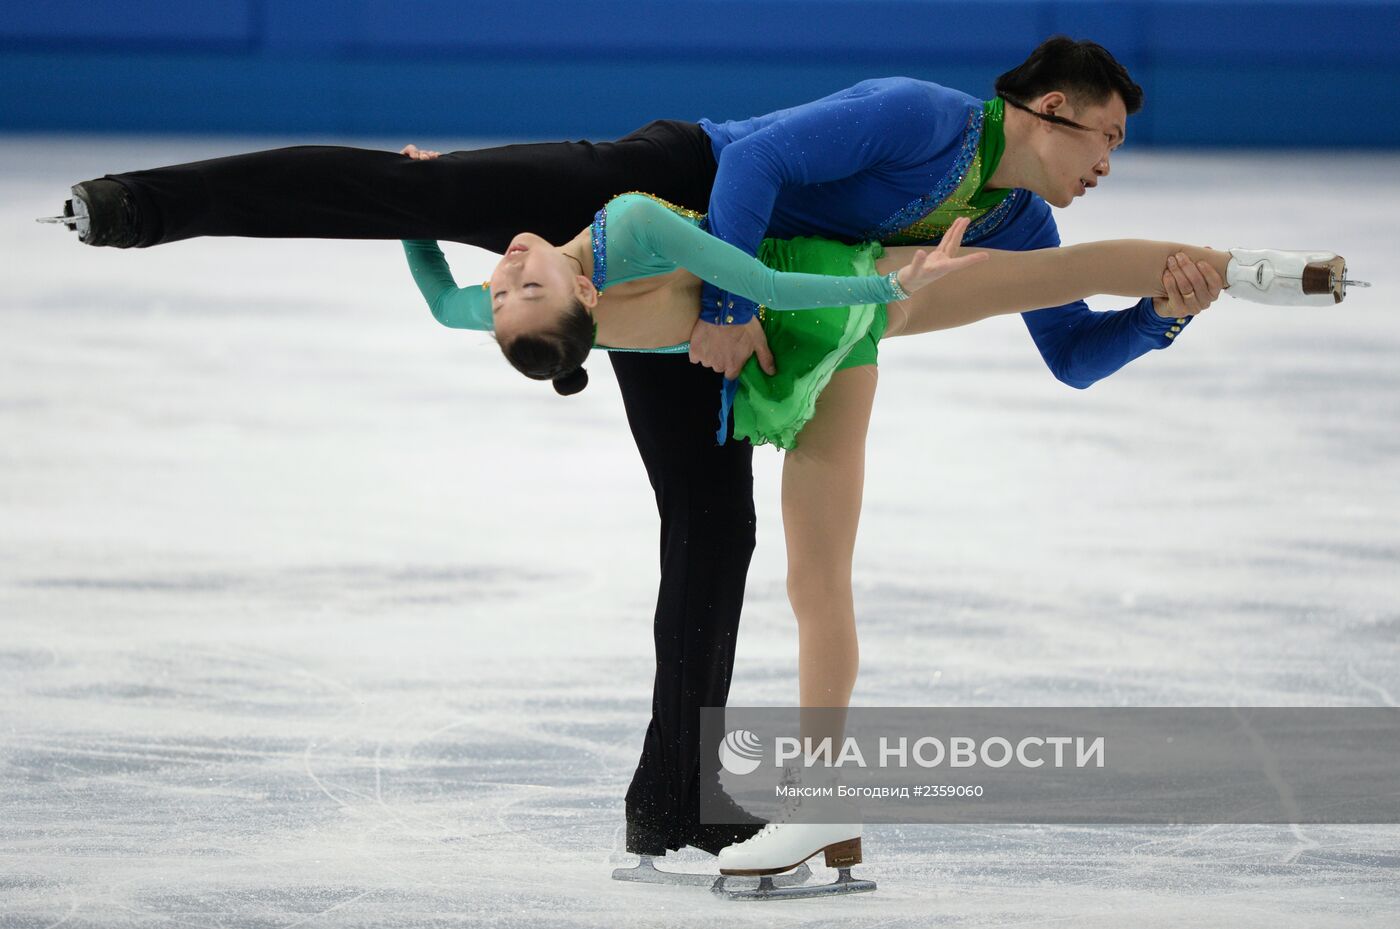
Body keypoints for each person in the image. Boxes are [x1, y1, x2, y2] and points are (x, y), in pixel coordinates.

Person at [44, 37, 1247, 868]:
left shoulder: (1015, 218)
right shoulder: (931, 116)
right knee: (409, 195)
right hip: (652, 195)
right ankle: (140, 204)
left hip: (722, 295)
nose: (1107, 162)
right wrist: (727, 311)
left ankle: (672, 807)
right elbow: (759, 163)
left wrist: (1164, 312)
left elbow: (1073, 358)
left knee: (717, 533)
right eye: (1104, 138)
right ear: (1046, 111)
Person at [401, 184, 1359, 887]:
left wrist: (412, 203)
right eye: (514, 295)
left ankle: (1256, 271)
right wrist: (895, 290)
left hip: (822, 312)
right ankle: (827, 797)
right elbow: (762, 277)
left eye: (509, 288)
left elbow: (445, 295)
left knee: (1056, 274)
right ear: (583, 309)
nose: (503, 281)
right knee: (818, 583)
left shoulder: (622, 246)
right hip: (830, 308)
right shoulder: (620, 241)